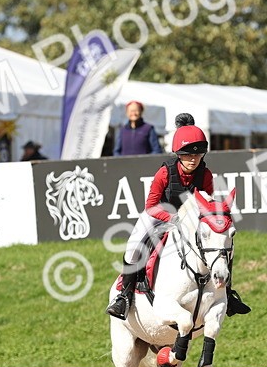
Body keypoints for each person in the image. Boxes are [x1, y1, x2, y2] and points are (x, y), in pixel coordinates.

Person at [106, 113, 249, 320]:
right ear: (178, 154)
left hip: (191, 221)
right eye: (187, 155)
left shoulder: (205, 175)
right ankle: (124, 297)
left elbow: (208, 205)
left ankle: (227, 293)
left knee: (222, 246)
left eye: (198, 155)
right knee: (133, 246)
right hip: (160, 214)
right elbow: (151, 206)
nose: (193, 159)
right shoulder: (165, 173)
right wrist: (173, 219)